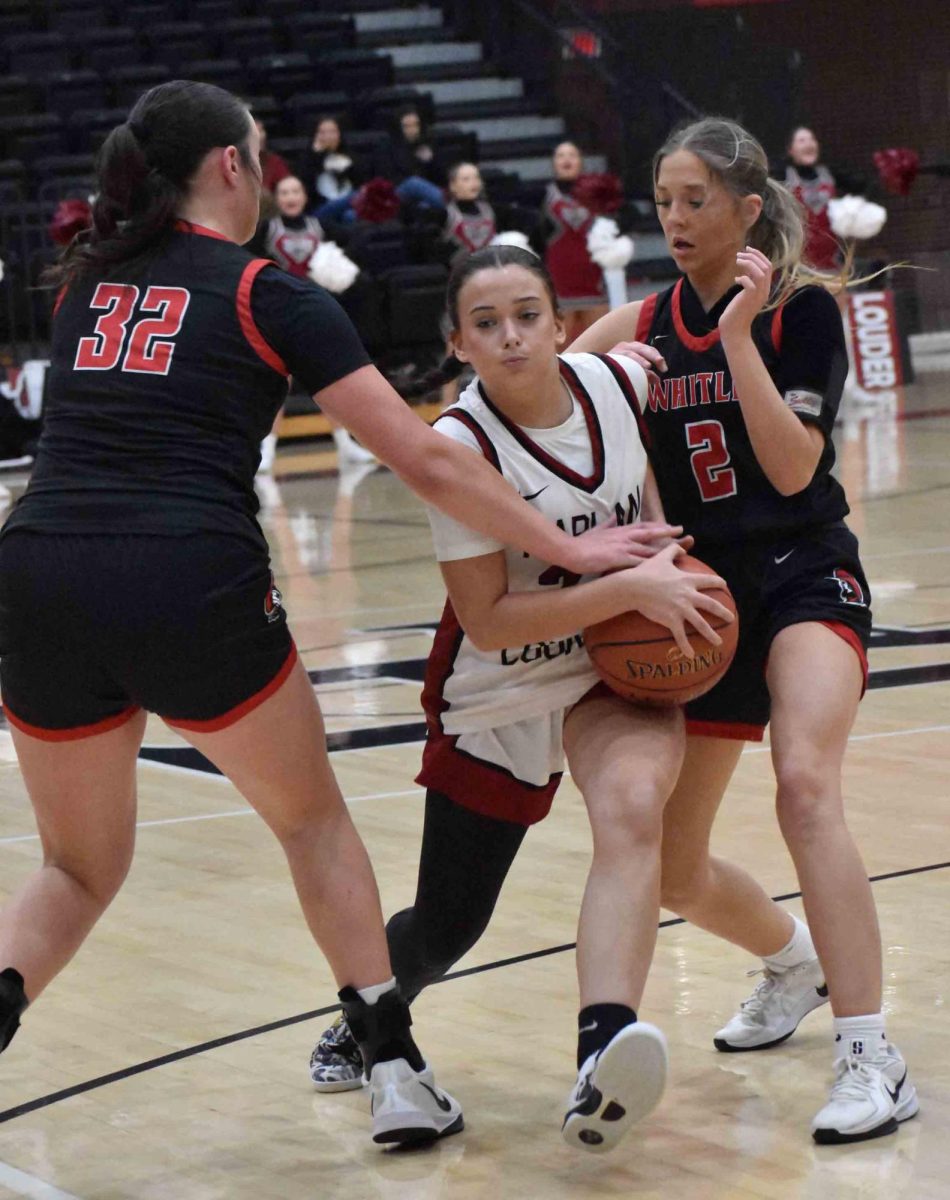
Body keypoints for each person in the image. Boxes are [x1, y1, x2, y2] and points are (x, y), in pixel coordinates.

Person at [0, 82, 657, 1148]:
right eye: (257, 155)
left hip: (37, 574)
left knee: (76, 866)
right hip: (182, 572)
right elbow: (421, 457)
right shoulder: (269, 291)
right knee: (309, 822)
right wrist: (571, 547)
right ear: (229, 167)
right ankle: (394, 1074)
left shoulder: (89, 285)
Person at [308, 244, 734, 1153]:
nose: (512, 338)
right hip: (497, 687)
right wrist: (628, 593)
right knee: (446, 927)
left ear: (561, 321)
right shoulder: (457, 450)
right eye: (488, 324)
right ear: (457, 342)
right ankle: (371, 1010)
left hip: (608, 673)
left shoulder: (616, 388)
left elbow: (649, 488)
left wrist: (661, 571)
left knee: (631, 810)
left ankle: (600, 1050)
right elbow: (491, 620)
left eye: (529, 315)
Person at [569, 116, 917, 1145]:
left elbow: (790, 470)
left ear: (745, 209)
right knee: (675, 868)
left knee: (804, 783)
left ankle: (868, 1051)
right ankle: (791, 960)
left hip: (803, 572)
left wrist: (731, 339)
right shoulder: (633, 321)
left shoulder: (801, 313)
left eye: (692, 201)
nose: (671, 219)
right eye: (662, 200)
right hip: (699, 603)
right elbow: (534, 399)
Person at [257, 175, 373, 471]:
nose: (291, 197)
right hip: (279, 311)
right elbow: (248, 259)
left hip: (313, 311)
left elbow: (359, 234)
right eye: (284, 192)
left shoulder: (318, 227)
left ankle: (345, 443)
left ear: (305, 196)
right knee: (278, 383)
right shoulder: (268, 229)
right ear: (277, 198)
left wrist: (335, 261)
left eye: (296, 190)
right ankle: (267, 447)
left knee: (327, 379)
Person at [540, 141, 609, 342]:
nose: (567, 159)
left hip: (593, 283)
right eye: (561, 155)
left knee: (602, 347)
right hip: (560, 284)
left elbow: (624, 217)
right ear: (553, 163)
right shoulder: (544, 196)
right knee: (561, 351)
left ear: (581, 162)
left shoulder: (598, 193)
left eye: (572, 155)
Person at [782, 126, 839, 272]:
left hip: (831, 262)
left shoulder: (831, 174)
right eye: (802, 140)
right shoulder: (782, 177)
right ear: (790, 150)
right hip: (798, 264)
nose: (808, 144)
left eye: (812, 139)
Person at [294, 116, 359, 223]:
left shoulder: (351, 156)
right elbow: (306, 187)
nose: (328, 137)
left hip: (348, 206)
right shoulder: (308, 159)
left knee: (350, 216)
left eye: (333, 132)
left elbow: (359, 180)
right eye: (323, 133)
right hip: (320, 209)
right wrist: (317, 155)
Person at [442, 162, 497, 260]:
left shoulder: (489, 209)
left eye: (477, 178)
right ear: (452, 185)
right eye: (466, 179)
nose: (474, 183)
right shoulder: (446, 213)